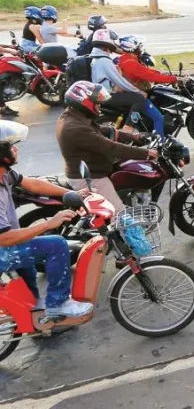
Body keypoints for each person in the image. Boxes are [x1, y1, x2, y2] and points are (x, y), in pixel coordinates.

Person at [0, 120, 94, 317]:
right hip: (3, 248)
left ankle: (36, 319)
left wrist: (71, 193)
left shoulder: (4, 174)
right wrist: (49, 224)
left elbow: (33, 184)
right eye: (10, 147)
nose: (16, 149)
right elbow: (5, 238)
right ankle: (58, 303)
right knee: (56, 245)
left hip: (8, 245)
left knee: (29, 280)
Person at [56, 81, 157, 212]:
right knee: (121, 217)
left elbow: (101, 130)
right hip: (90, 178)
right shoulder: (75, 128)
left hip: (92, 169)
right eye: (96, 102)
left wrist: (133, 137)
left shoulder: (74, 116)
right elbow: (111, 147)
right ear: (84, 102)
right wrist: (147, 153)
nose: (99, 105)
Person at [89, 29, 164, 136]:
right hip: (109, 95)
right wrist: (138, 91)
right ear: (108, 43)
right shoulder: (104, 61)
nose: (115, 46)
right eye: (113, 44)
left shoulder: (97, 58)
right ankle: (128, 127)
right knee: (139, 98)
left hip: (103, 93)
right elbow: (121, 82)